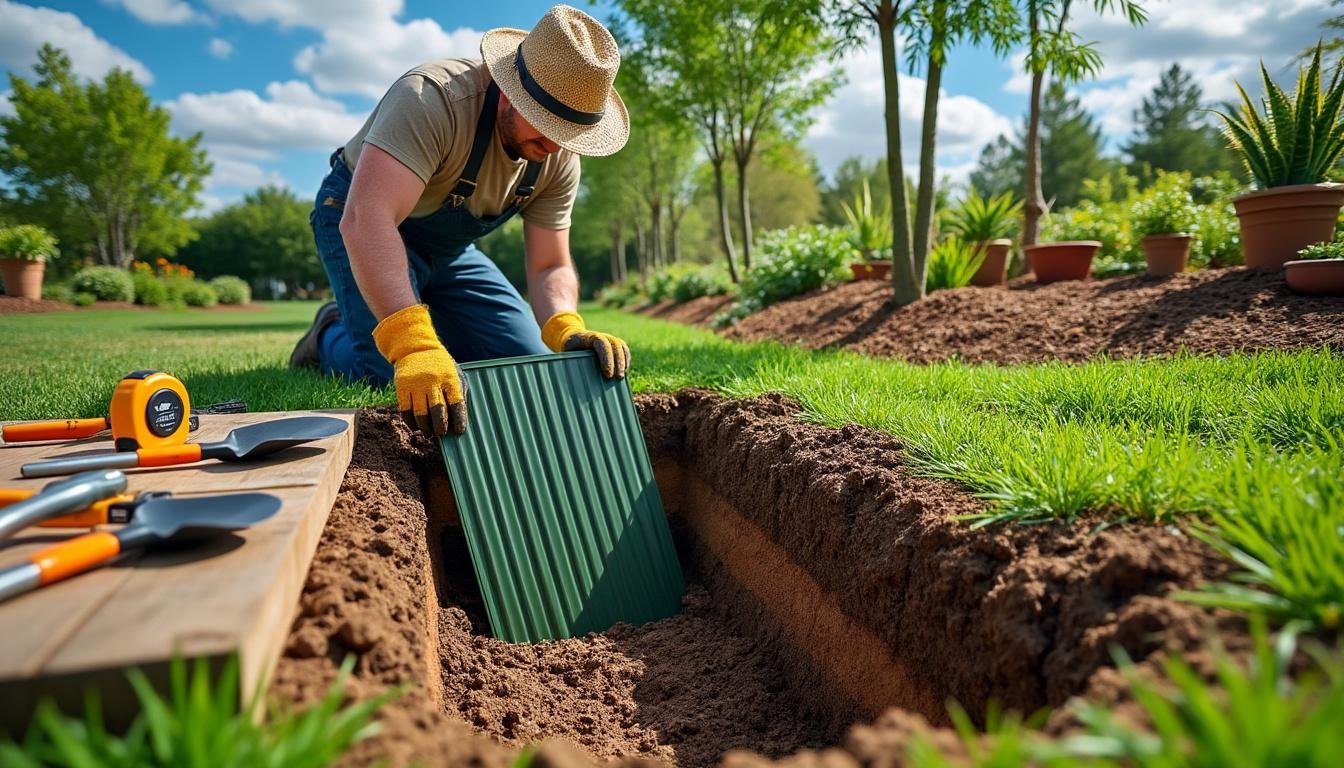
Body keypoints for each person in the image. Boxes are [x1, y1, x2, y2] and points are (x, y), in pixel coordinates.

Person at [290, 4, 631, 437]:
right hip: (361, 217)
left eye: (568, 133)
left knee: (524, 362)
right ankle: (327, 334)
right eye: (546, 126)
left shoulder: (557, 155)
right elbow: (367, 219)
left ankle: (418, 313)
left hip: (448, 251)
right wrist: (413, 344)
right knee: (385, 372)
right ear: (511, 93)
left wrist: (565, 326)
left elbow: (550, 264)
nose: (555, 144)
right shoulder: (431, 99)